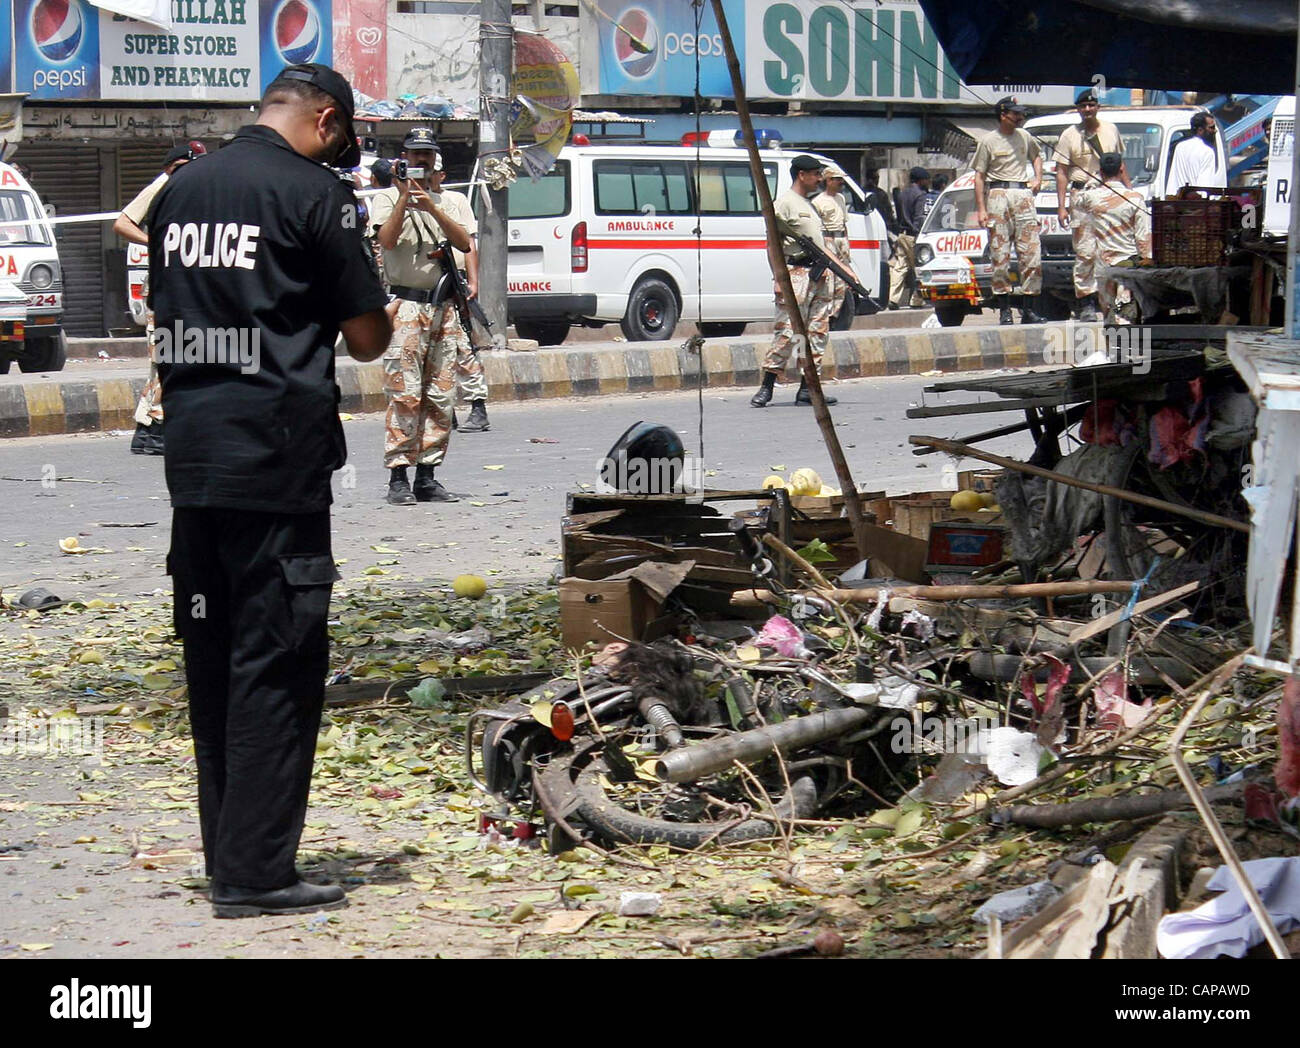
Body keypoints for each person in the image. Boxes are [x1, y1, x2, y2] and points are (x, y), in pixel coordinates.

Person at [148, 63, 391, 917]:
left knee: (212, 663)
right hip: (277, 464)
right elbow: (367, 337)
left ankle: (232, 855)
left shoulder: (181, 190)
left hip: (194, 462)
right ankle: (256, 876)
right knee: (277, 664)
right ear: (326, 120)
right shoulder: (315, 194)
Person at [369, 128, 475, 504]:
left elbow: (464, 242)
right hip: (406, 307)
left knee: (440, 395)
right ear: (404, 158)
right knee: (404, 393)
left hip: (442, 308)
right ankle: (398, 476)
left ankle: (427, 475)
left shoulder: (449, 201)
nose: (421, 162)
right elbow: (386, 240)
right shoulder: (385, 198)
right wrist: (404, 198)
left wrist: (431, 205)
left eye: (427, 156)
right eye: (415, 155)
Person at [113, 141, 207, 455]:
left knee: (177, 359)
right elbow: (122, 223)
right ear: (173, 167)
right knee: (166, 360)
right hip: (164, 290)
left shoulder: (195, 190)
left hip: (188, 288)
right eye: (187, 167)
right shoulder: (163, 186)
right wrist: (153, 243)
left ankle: (150, 431)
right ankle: (153, 430)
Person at [750, 154, 837, 409]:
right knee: (787, 333)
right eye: (815, 174)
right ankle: (767, 386)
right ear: (802, 175)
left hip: (819, 277)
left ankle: (807, 389)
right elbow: (772, 245)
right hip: (796, 275)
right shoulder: (784, 204)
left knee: (816, 334)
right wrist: (779, 277)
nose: (819, 179)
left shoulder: (811, 205)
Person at [427, 148, 491, 434]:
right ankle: (445, 409)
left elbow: (470, 244)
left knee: (463, 346)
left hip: (453, 281)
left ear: (441, 174)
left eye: (433, 172)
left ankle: (478, 407)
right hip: (424, 287)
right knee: (432, 351)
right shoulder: (410, 201)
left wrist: (474, 282)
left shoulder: (455, 200)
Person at [1053, 90, 1130, 321]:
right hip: (1082, 196)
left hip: (1108, 194)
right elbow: (1061, 172)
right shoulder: (1069, 135)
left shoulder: (1111, 130)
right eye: (1083, 106)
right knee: (1085, 251)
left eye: (1091, 105)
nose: (1087, 110)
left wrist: (1129, 191)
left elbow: (1120, 164)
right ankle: (1086, 303)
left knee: (1114, 248)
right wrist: (1062, 206)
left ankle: (1114, 303)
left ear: (1098, 107)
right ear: (1078, 109)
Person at [973, 97, 1045, 325]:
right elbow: (979, 176)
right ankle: (1004, 309)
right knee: (999, 255)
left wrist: (1038, 178)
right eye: (1016, 113)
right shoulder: (988, 141)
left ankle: (1029, 309)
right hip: (998, 195)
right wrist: (981, 209)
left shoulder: (1025, 136)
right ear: (1004, 114)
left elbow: (1037, 157)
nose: (1020, 117)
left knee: (1031, 254)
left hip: (1022, 194)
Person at [1085, 152, 1152, 324]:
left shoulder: (1089, 198)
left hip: (1102, 268)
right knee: (1125, 316)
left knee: (1108, 317)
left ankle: (1112, 351)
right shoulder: (1135, 199)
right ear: (1122, 168)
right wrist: (1147, 265)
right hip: (1127, 268)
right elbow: (1143, 238)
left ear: (1100, 172)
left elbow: (1076, 204)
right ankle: (1125, 350)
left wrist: (1093, 182)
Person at [810, 163, 859, 330]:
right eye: (838, 180)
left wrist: (846, 243)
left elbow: (843, 224)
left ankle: (836, 314)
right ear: (828, 180)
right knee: (830, 280)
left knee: (843, 282)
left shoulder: (841, 198)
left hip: (840, 240)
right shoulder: (818, 201)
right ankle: (826, 316)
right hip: (827, 239)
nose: (841, 183)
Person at [888, 166, 930, 309]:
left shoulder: (903, 193)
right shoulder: (920, 195)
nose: (928, 182)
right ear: (921, 180)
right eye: (926, 179)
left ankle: (893, 299)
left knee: (900, 267)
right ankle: (917, 300)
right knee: (920, 266)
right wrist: (921, 234)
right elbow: (919, 217)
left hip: (902, 234)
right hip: (913, 236)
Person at [1168, 111, 1226, 195]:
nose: (1215, 130)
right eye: (1212, 127)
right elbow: (1204, 188)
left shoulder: (1180, 147)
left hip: (1178, 202)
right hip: (1197, 204)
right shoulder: (1207, 151)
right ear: (1200, 130)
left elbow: (1173, 180)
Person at [863, 168, 897, 235]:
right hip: (879, 226)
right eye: (876, 178)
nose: (878, 180)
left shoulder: (861, 191)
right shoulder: (880, 194)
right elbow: (889, 213)